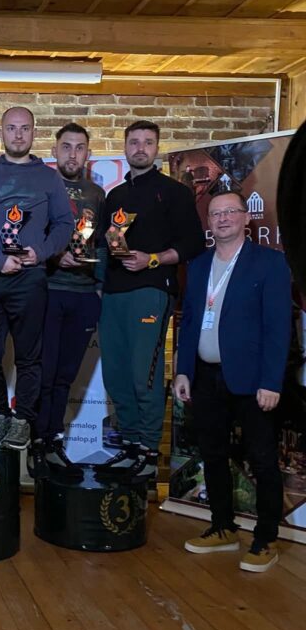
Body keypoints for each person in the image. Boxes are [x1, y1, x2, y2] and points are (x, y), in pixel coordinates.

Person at [175, 190, 291, 572]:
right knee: (212, 455)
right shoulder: (198, 265)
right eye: (215, 213)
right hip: (206, 377)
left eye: (230, 211)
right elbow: (190, 322)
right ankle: (223, 527)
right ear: (208, 222)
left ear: (246, 217)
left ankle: (266, 538)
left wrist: (271, 382)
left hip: (253, 381)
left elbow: (278, 329)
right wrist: (184, 370)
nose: (223, 218)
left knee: (262, 459)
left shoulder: (270, 264)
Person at [97, 120, 204, 480]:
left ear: (156, 148)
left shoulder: (174, 192)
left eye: (147, 142)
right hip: (113, 294)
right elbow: (106, 244)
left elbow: (193, 244)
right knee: (116, 377)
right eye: (134, 142)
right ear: (125, 147)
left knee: (144, 375)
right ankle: (130, 447)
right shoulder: (114, 197)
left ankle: (146, 452)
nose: (140, 148)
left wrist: (153, 259)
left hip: (151, 290)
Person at [0, 106, 73, 450]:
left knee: (29, 356)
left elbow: (64, 224)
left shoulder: (49, 177)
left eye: (24, 128)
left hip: (30, 277)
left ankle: (23, 419)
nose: (18, 134)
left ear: (33, 132)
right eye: (11, 128)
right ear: (2, 132)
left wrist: (40, 253)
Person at [32, 122, 107, 478]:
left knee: (65, 376)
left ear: (87, 154)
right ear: (55, 150)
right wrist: (54, 256)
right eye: (66, 147)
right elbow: (28, 234)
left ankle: (53, 441)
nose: (72, 154)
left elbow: (105, 244)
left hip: (84, 295)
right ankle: (36, 442)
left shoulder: (97, 193)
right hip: (48, 290)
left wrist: (100, 286)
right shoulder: (42, 186)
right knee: (43, 373)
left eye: (79, 148)